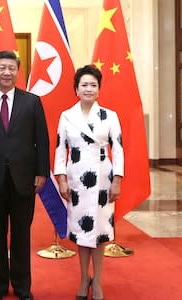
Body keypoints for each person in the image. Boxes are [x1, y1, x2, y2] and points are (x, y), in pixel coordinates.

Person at [0, 50, 50, 300]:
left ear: (18, 71)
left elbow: (41, 141)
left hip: (24, 179)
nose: (6, 72)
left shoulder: (32, 101)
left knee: (21, 236)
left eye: (11, 68)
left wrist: (41, 172)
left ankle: (23, 286)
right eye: (1, 68)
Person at [54, 65, 124, 300]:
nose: (88, 88)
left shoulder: (110, 115)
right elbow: (59, 151)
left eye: (93, 85)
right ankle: (84, 278)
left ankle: (99, 282)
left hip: (104, 178)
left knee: (101, 232)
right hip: (77, 180)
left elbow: (120, 149)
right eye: (84, 84)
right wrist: (62, 180)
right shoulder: (66, 116)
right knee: (81, 231)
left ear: (99, 89)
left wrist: (117, 180)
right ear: (76, 88)